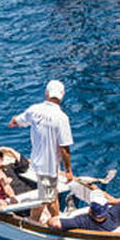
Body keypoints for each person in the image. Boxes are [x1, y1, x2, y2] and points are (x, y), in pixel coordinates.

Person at [8, 80, 73, 221]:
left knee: (47, 194)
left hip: (36, 164)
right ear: (62, 95)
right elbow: (64, 149)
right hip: (48, 167)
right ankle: (57, 226)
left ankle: (33, 220)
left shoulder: (34, 110)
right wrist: (68, 171)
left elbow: (18, 120)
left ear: (47, 93)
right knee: (50, 199)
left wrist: (13, 121)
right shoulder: (62, 118)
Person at [48, 190, 120, 232]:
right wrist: (110, 200)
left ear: (90, 210)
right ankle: (70, 202)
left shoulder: (83, 221)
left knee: (70, 210)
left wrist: (51, 219)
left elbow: (55, 224)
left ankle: (70, 202)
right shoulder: (114, 214)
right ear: (106, 209)